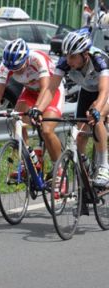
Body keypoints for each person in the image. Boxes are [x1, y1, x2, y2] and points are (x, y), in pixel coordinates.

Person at [0, 38, 65, 189]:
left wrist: (37, 108)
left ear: (26, 58)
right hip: (31, 91)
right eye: (13, 68)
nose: (16, 71)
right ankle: (28, 160)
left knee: (46, 130)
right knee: (16, 118)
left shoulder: (37, 59)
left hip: (51, 91)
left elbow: (46, 88)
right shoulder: (5, 66)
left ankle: (59, 171)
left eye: (19, 67)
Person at [35, 28, 109, 189]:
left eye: (73, 56)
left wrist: (97, 110)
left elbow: (103, 92)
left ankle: (104, 167)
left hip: (106, 90)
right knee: (80, 135)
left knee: (96, 118)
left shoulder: (99, 61)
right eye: (67, 55)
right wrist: (39, 109)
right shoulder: (64, 63)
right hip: (88, 90)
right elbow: (50, 89)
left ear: (85, 54)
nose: (69, 60)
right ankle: (84, 170)